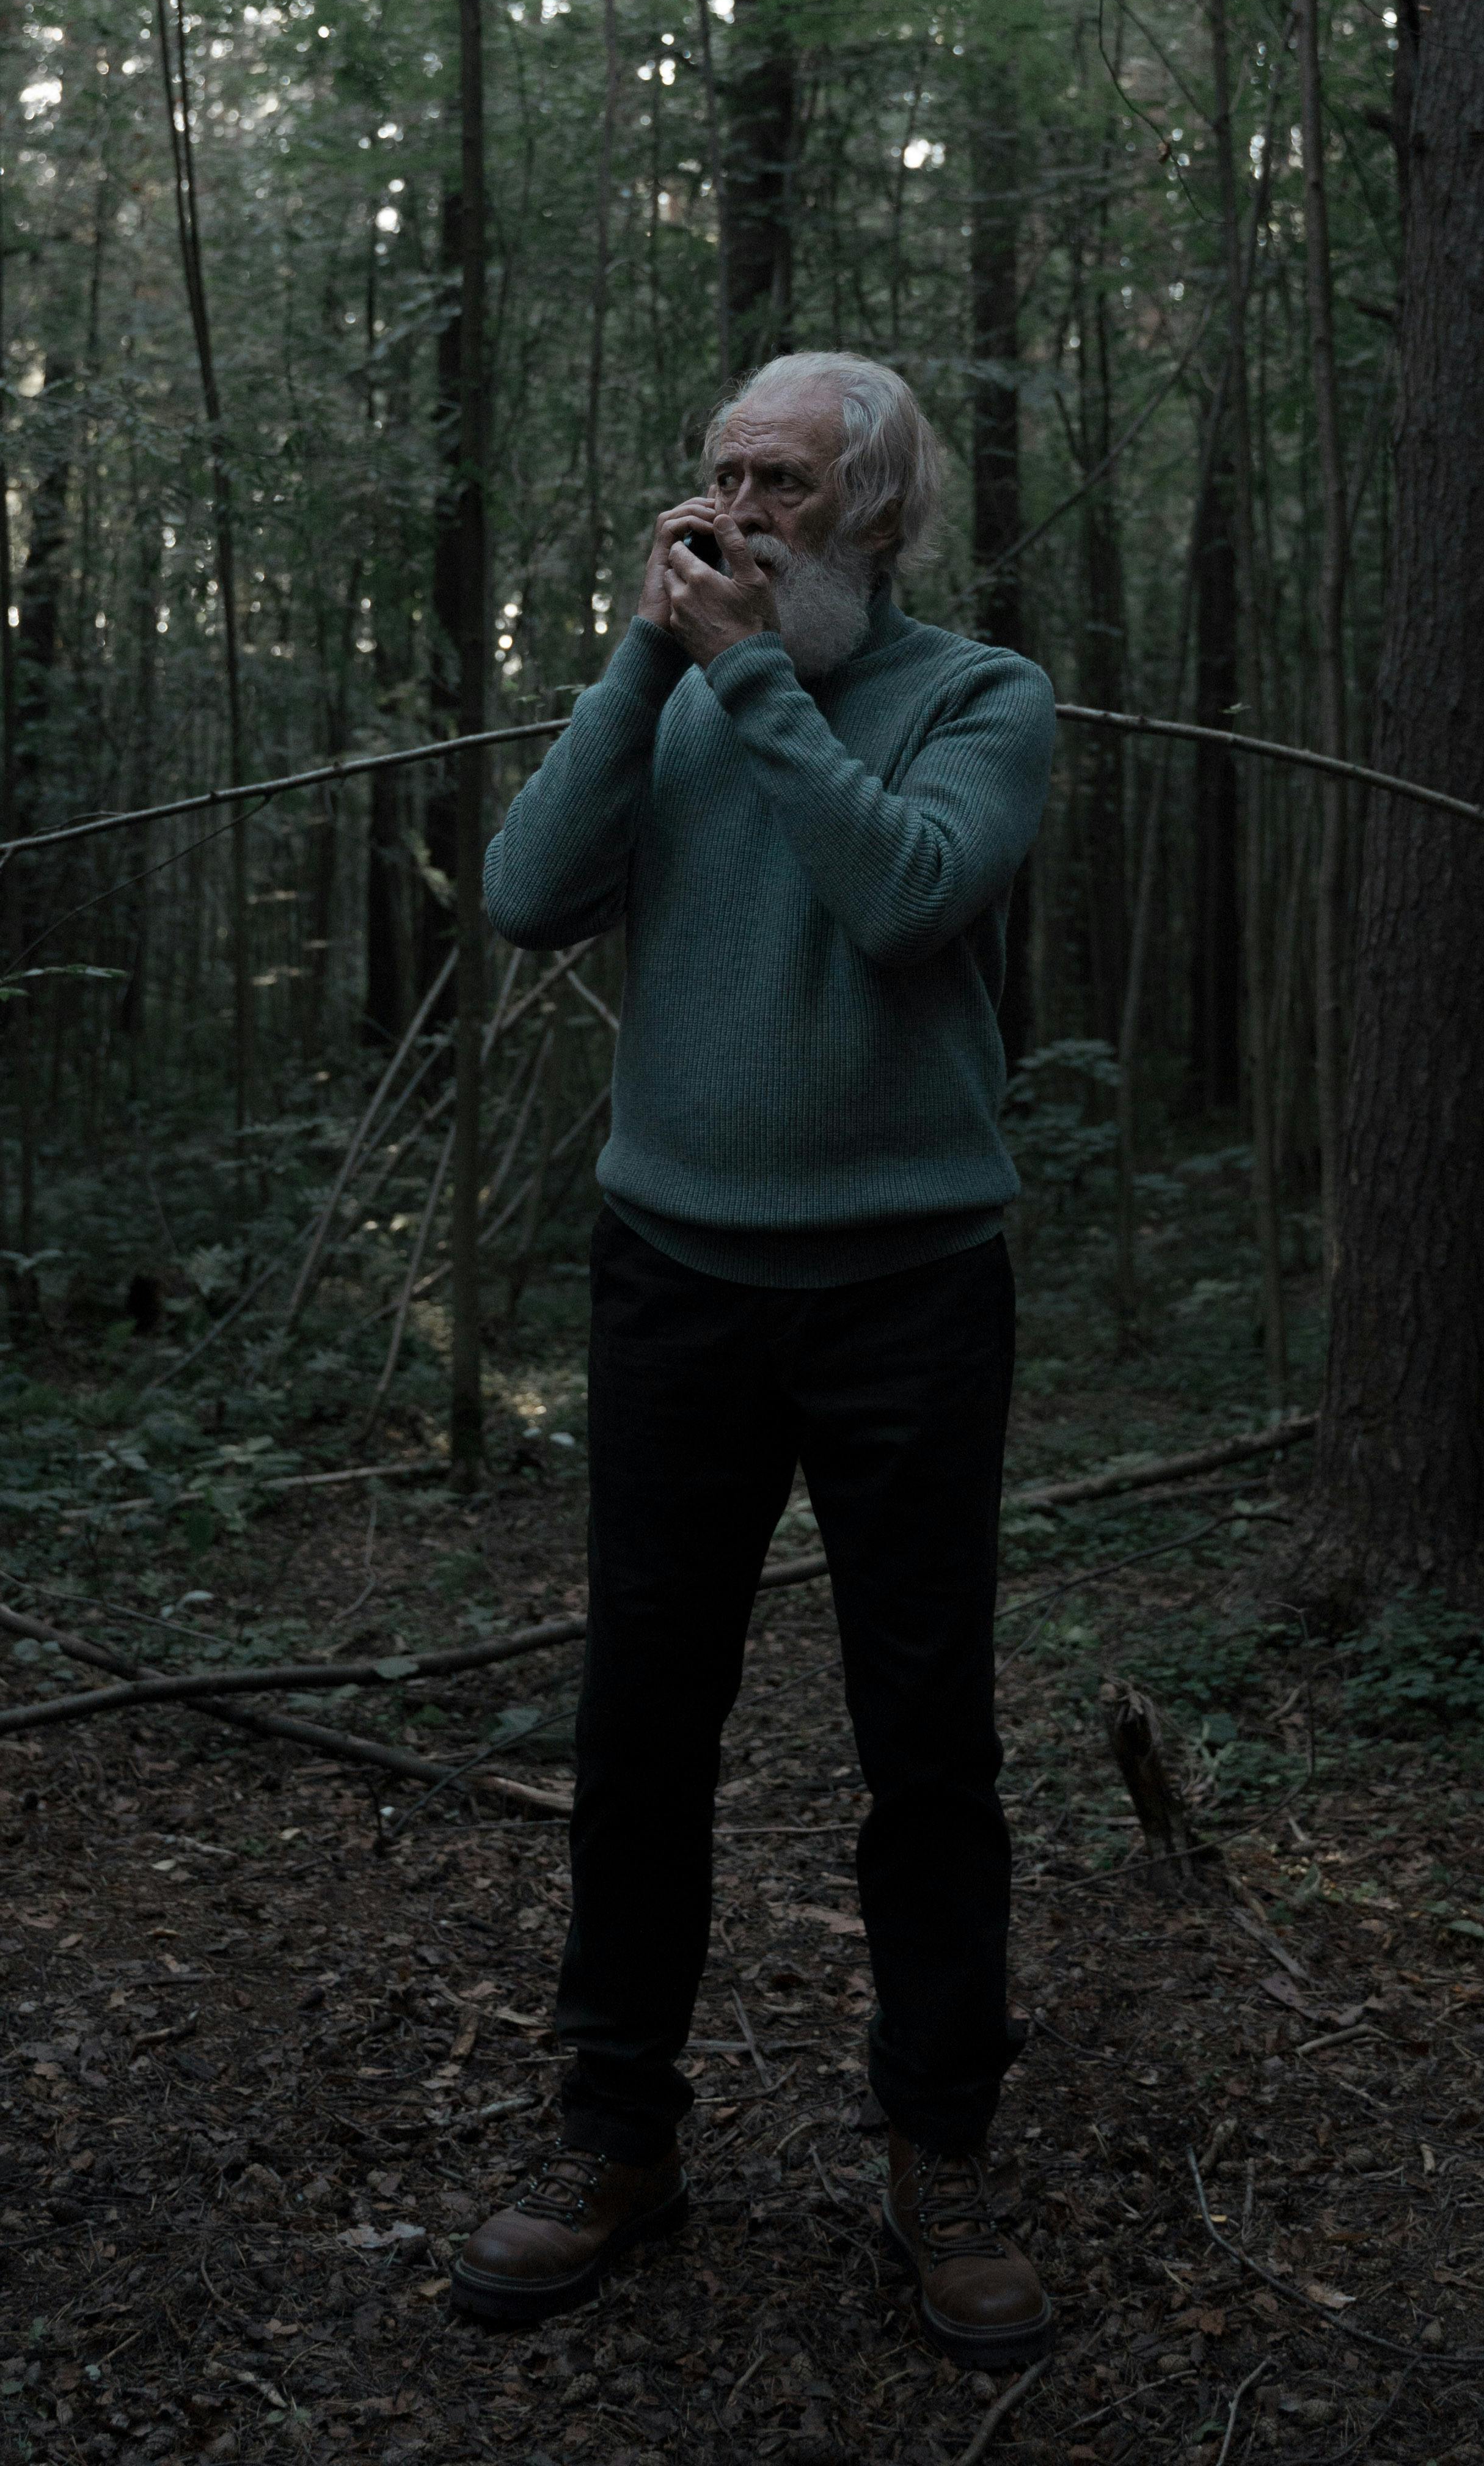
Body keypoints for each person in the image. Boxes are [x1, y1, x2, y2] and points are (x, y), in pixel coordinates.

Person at [451, 350, 1058, 2365]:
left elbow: (905, 898)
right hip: (679, 1279)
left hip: (908, 1291)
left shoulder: (982, 699)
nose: (737, 509)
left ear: (876, 513)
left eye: (782, 482)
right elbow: (528, 896)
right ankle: (613, 2137)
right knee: (642, 1727)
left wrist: (754, 688)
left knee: (927, 1741)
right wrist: (648, 666)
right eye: (717, 472)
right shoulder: (678, 693)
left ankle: (940, 2152)